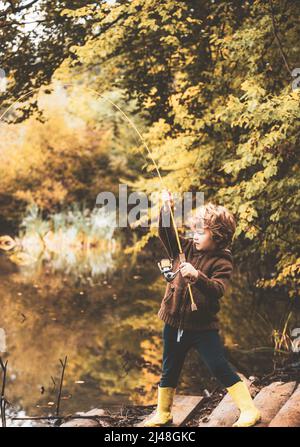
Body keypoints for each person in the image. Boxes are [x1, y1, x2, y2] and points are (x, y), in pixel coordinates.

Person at [144, 190, 261, 427]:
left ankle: (249, 410)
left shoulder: (222, 261)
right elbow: (165, 233)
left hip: (202, 327)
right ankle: (163, 412)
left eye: (200, 231)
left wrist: (197, 276)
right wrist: (166, 209)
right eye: (193, 230)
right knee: (169, 367)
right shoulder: (184, 248)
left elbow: (218, 289)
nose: (194, 236)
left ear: (217, 237)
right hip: (174, 321)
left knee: (218, 365)